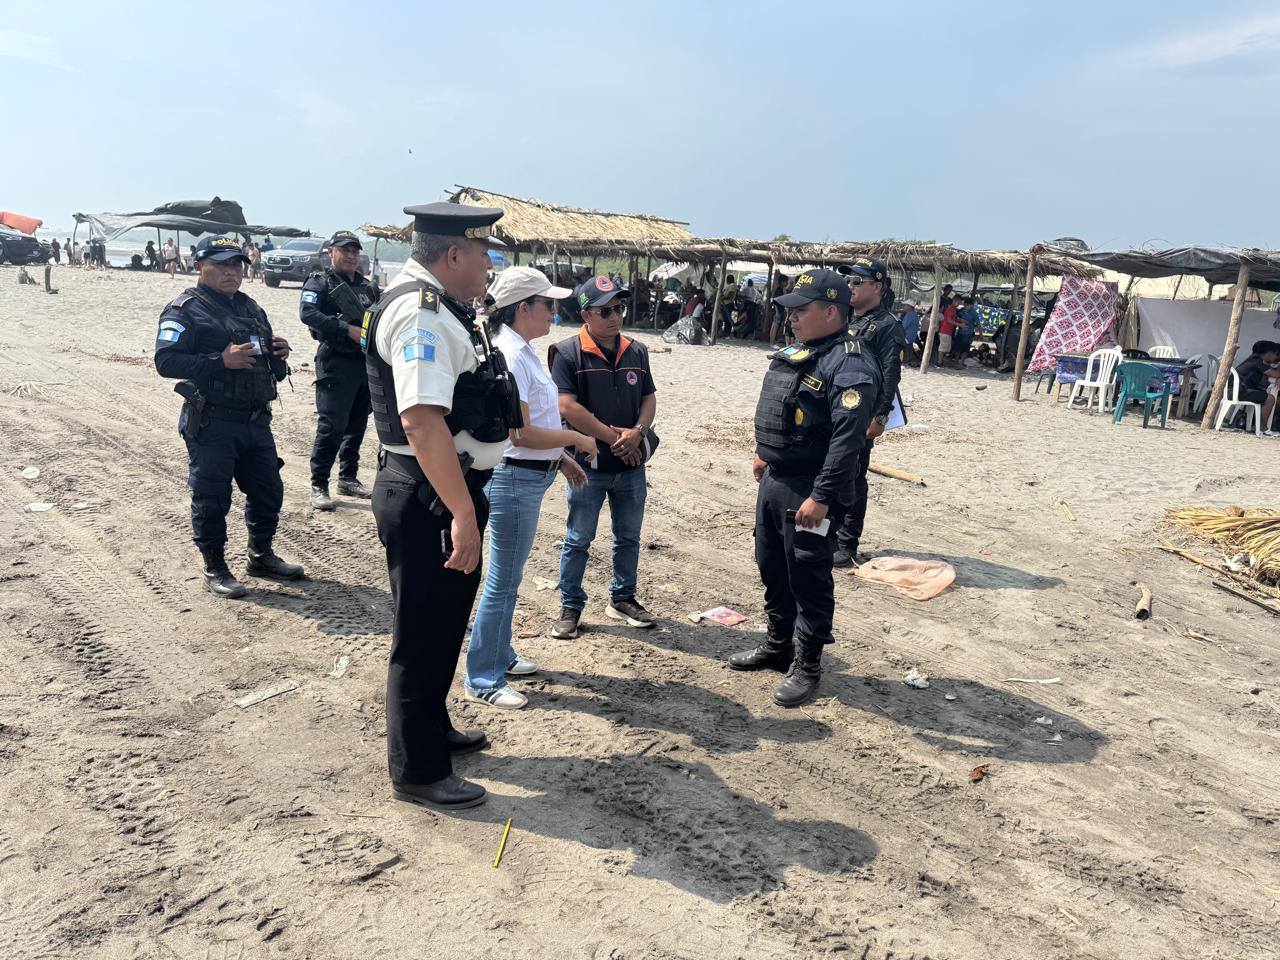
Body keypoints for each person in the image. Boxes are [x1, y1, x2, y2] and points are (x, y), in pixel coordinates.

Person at [364, 201, 518, 812]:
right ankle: (419, 771)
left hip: (444, 489)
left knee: (443, 625)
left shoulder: (442, 307)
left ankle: (433, 729)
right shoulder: (420, 314)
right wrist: (460, 514)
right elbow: (422, 421)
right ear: (454, 254)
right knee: (422, 634)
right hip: (431, 494)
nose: (489, 265)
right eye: (484, 254)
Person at [729, 269, 881, 707]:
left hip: (811, 489)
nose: (791, 318)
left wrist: (822, 497)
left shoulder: (849, 361)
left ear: (831, 311)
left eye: (801, 310)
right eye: (789, 310)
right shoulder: (806, 350)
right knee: (771, 563)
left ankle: (808, 664)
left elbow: (847, 440)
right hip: (776, 480)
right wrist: (765, 450)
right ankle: (778, 645)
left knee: (808, 573)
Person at [464, 268, 592, 710]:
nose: (553, 314)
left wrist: (561, 458)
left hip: (527, 474)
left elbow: (535, 425)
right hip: (515, 477)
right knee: (502, 581)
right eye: (547, 306)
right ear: (524, 309)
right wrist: (575, 439)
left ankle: (499, 654)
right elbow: (520, 434)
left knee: (509, 577)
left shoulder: (522, 350)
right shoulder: (512, 355)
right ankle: (483, 677)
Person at [153, 235, 303, 599]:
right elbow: (166, 361)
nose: (230, 271)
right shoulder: (185, 309)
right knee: (212, 497)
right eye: (220, 264)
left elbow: (269, 367)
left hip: (255, 420)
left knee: (269, 491)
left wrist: (278, 355)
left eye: (236, 264)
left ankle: (260, 555)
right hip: (212, 422)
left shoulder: (251, 308)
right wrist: (219, 361)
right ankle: (215, 567)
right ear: (198, 265)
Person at [549, 275, 659, 640]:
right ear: (585, 314)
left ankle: (623, 597)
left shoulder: (637, 350)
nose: (615, 316)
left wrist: (638, 433)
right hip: (588, 464)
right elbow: (566, 406)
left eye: (619, 308)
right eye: (606, 310)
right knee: (579, 537)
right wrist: (616, 437)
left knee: (628, 536)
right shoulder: (567, 352)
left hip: (630, 464)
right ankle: (570, 605)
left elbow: (648, 397)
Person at [833, 258, 906, 567]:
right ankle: (826, 532)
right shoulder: (841, 316)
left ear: (877, 287)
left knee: (853, 476)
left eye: (856, 282)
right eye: (848, 280)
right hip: (835, 408)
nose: (849, 286)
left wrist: (879, 417)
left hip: (862, 413)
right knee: (829, 472)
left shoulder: (888, 326)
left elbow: (891, 375)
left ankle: (847, 542)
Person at [300, 231, 381, 510]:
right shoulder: (320, 282)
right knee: (331, 425)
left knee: (357, 422)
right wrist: (346, 329)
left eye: (354, 251)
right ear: (331, 252)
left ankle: (348, 477)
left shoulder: (367, 287)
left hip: (363, 363)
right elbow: (307, 314)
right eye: (344, 250)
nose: (350, 255)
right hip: (335, 361)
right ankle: (319, 483)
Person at [1235, 340, 1280, 433]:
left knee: (1264, 394)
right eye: (1278, 356)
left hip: (1238, 389)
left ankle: (1257, 426)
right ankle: (1262, 428)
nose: (1278, 359)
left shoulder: (1254, 359)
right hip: (1239, 391)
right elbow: (1275, 374)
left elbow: (1265, 382)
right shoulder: (1257, 361)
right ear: (1269, 353)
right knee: (1270, 399)